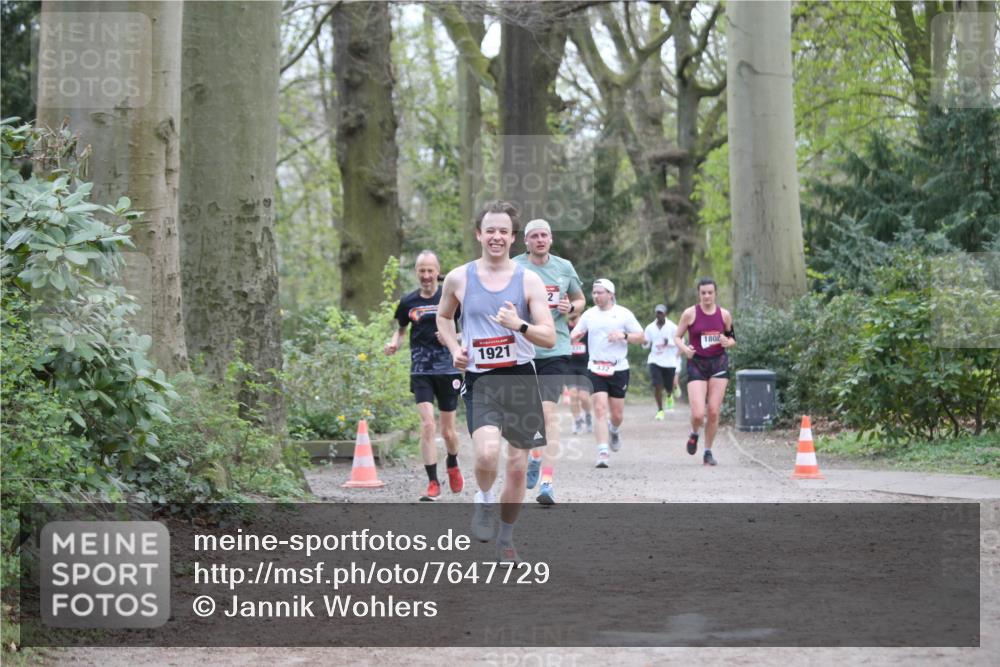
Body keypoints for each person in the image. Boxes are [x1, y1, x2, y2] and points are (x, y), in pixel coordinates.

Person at [437, 201, 555, 563]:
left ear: (513, 237)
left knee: (517, 466)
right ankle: (485, 499)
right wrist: (455, 347)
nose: (497, 237)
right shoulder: (458, 278)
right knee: (487, 453)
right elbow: (443, 318)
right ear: (479, 234)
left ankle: (506, 538)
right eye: (490, 230)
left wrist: (519, 324)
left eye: (503, 231)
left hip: (520, 377)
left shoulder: (528, 280)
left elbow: (549, 337)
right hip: (481, 379)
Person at [513, 219, 585, 506]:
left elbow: (580, 300)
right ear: (526, 241)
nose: (540, 240)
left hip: (556, 348)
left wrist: (571, 307)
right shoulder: (515, 267)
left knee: (548, 412)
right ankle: (534, 454)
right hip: (523, 350)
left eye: (544, 235)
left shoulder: (564, 267)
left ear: (551, 239)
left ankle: (547, 481)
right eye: (534, 236)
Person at [385, 250, 463, 501]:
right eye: (422, 270)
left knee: (448, 432)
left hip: (448, 369)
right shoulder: (408, 302)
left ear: (437, 272)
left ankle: (452, 462)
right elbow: (400, 330)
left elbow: (469, 331)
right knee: (428, 425)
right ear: (416, 272)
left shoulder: (451, 298)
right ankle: (432, 482)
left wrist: (453, 337)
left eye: (430, 270)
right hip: (421, 370)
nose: (426, 275)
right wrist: (394, 343)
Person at [570, 279, 645, 468]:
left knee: (617, 414)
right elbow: (575, 333)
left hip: (618, 368)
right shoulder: (589, 315)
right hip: (595, 368)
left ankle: (614, 429)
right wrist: (573, 337)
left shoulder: (623, 314)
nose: (595, 296)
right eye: (594, 292)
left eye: (600, 292)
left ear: (610, 294)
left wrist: (624, 336)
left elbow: (641, 336)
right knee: (600, 409)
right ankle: (602, 452)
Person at [674, 278, 736, 466]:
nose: (707, 296)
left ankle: (708, 452)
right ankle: (694, 434)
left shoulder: (724, 315)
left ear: (715, 293)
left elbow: (732, 338)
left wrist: (727, 342)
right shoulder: (690, 314)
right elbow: (677, 337)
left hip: (718, 364)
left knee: (714, 411)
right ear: (699, 294)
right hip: (697, 364)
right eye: (703, 293)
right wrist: (685, 350)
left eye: (710, 292)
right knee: (698, 414)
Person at [643, 304, 680, 420]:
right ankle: (660, 410)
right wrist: (644, 343)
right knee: (657, 385)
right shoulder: (650, 327)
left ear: (665, 314)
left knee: (669, 386)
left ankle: (669, 395)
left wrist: (669, 342)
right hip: (655, 359)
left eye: (661, 313)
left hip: (669, 361)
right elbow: (646, 344)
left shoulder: (673, 327)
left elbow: (680, 341)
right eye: (657, 313)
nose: (659, 315)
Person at [566, 309, 593, 435]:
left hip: (584, 366)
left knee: (584, 397)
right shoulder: (565, 329)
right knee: (573, 395)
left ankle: (588, 415)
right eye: (571, 318)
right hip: (569, 367)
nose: (573, 321)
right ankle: (577, 421)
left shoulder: (587, 330)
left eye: (576, 318)